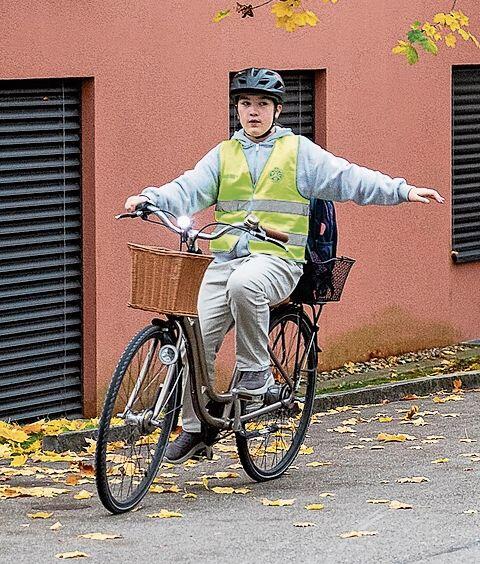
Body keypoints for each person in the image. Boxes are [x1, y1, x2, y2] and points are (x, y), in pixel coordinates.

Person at [125, 67, 444, 463]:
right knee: (195, 341)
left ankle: (257, 374)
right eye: (245, 104)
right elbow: (188, 187)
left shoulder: (298, 152)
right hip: (225, 260)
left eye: (262, 105)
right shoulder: (225, 154)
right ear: (237, 110)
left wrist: (403, 190)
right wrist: (151, 198)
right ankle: (198, 427)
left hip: (278, 260)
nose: (253, 112)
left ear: (277, 111)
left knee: (246, 285)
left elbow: (350, 178)